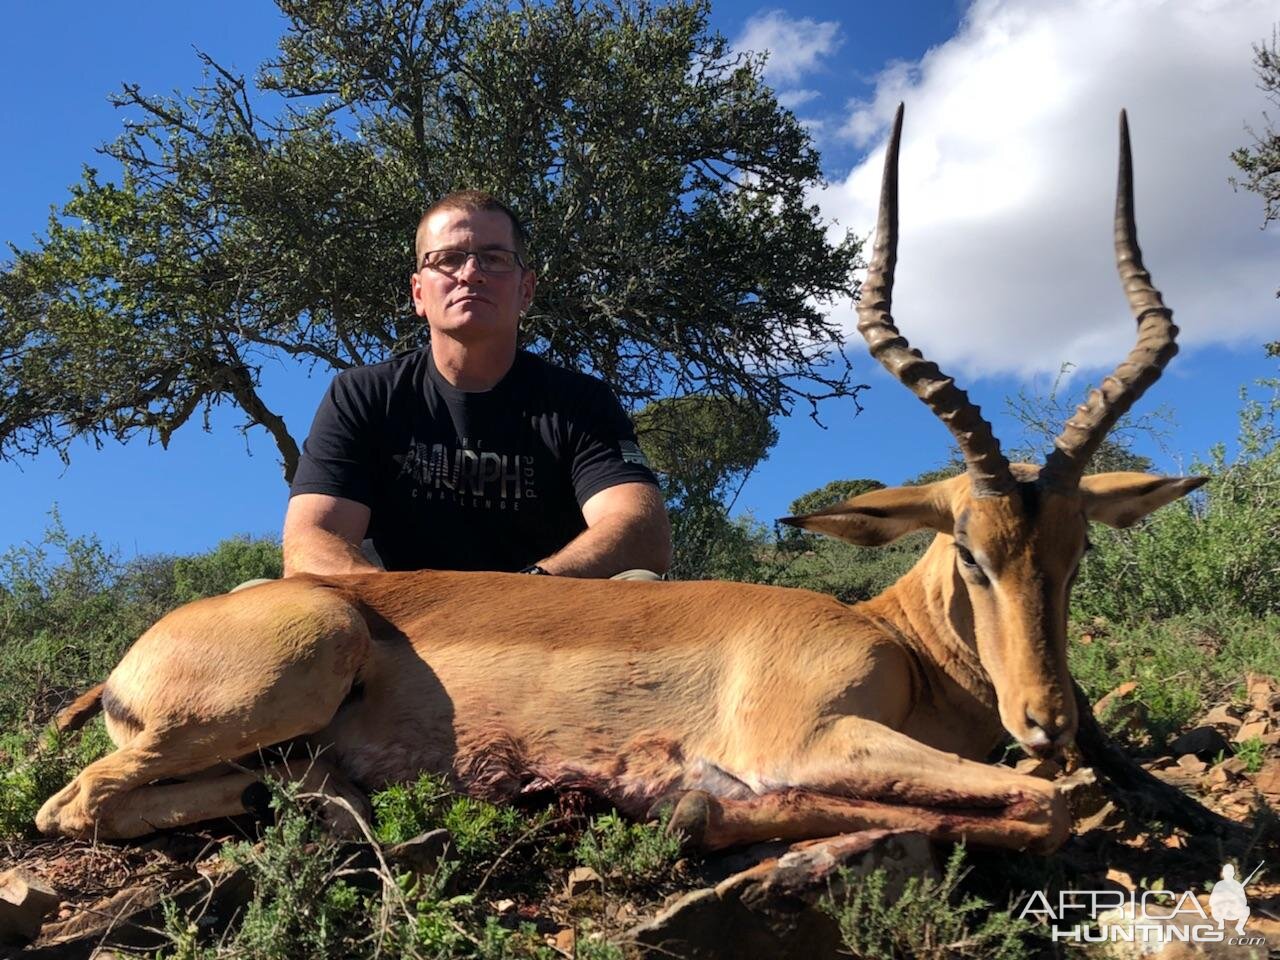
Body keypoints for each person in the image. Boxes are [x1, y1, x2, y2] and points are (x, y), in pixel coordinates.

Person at [282, 190, 671, 579]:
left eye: (495, 259)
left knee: (640, 582)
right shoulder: (362, 395)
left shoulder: (582, 403)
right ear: (418, 292)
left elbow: (642, 532)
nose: (470, 273)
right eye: (448, 259)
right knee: (261, 597)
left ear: (526, 290)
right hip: (394, 627)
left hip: (546, 621)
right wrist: (411, 610)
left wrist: (528, 590)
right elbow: (311, 543)